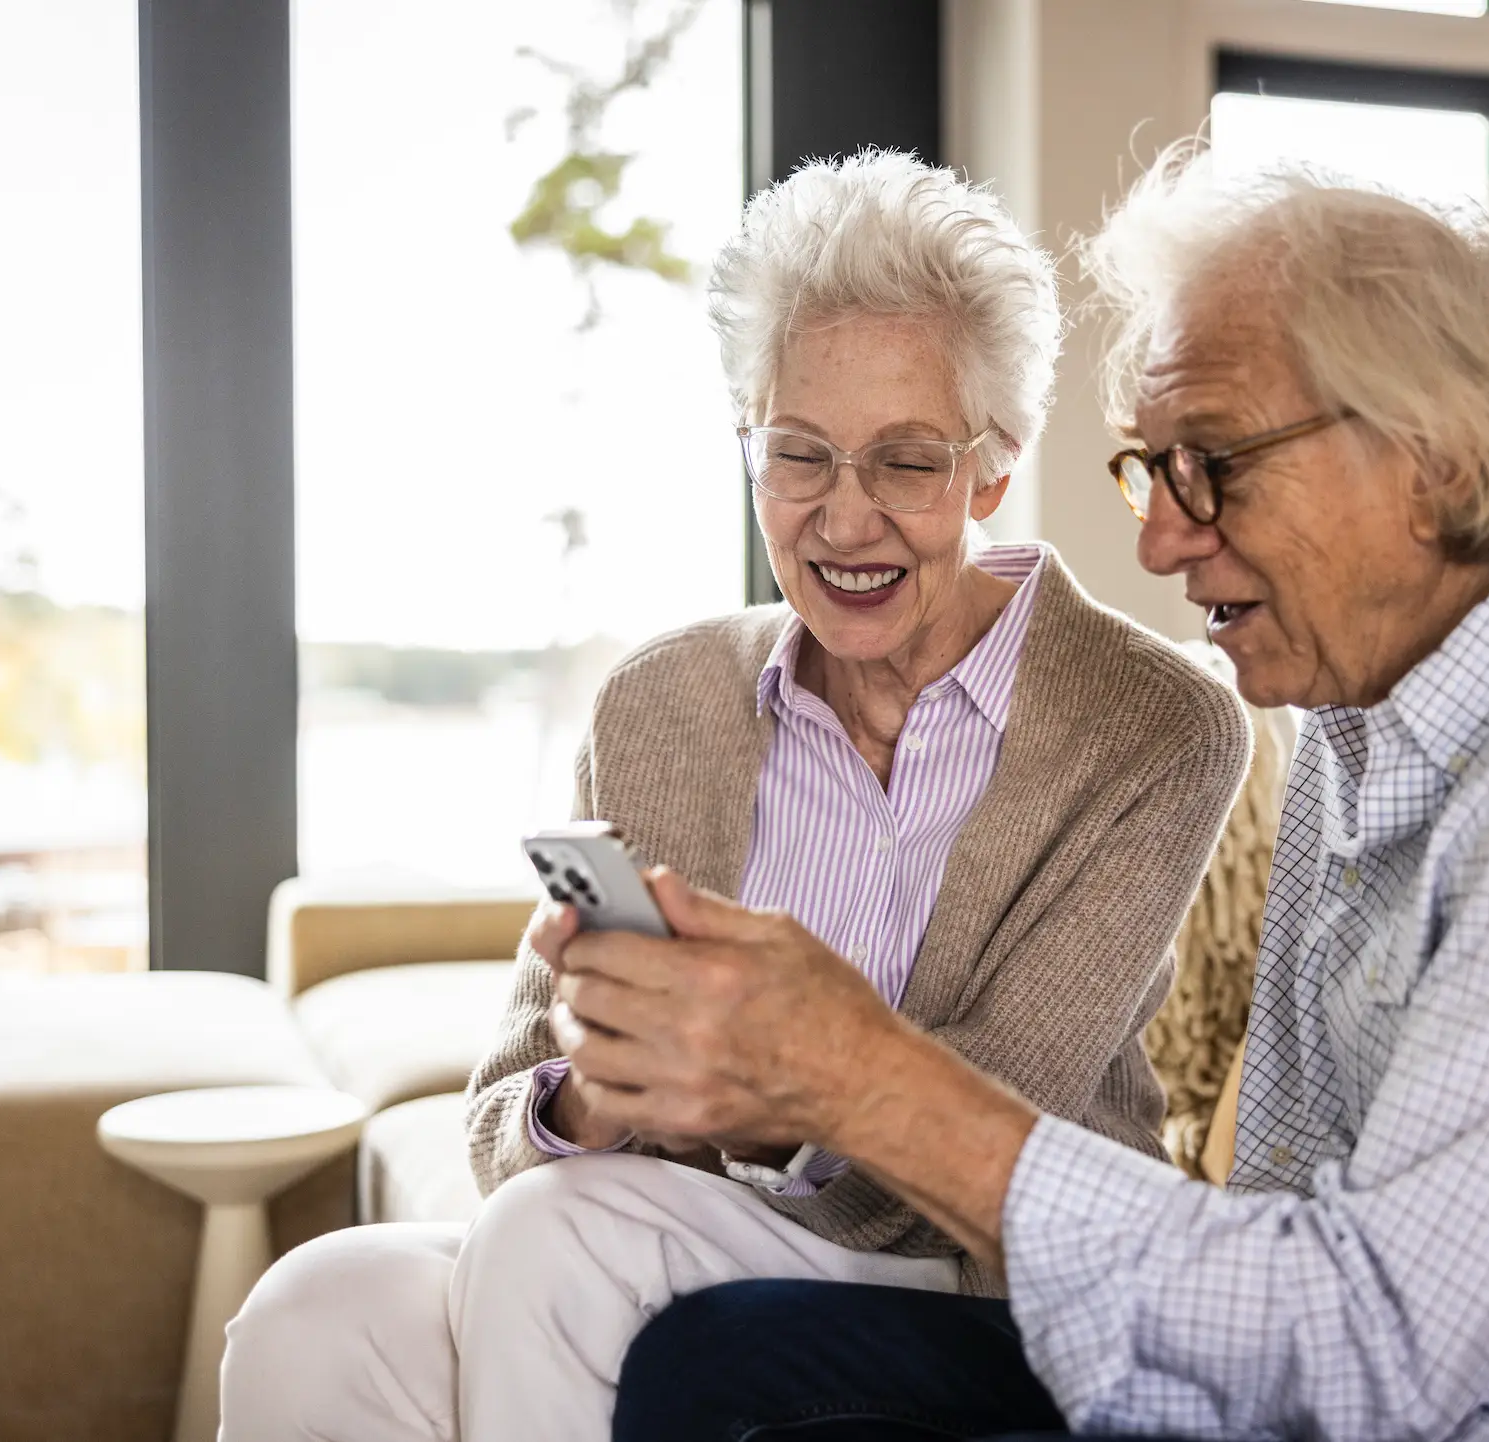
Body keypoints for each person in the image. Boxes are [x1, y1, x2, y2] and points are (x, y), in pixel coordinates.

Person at [551, 152, 1489, 1441]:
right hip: (1333, 1380)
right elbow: (1279, 1225)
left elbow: (1361, 1356)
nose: (1156, 537)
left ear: (1435, 457)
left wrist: (850, 1068)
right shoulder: (1367, 690)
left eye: (1206, 464)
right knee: (717, 1363)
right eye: (1147, 466)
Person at [216, 150, 1250, 1441]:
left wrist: (748, 1092)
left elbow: (999, 1121)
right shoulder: (657, 703)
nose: (844, 518)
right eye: (799, 454)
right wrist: (596, 1090)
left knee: (563, 1231)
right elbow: (501, 1121)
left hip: (983, 1270)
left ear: (993, 468)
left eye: (907, 463)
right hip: (655, 1221)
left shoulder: (1151, 722)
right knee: (320, 1300)